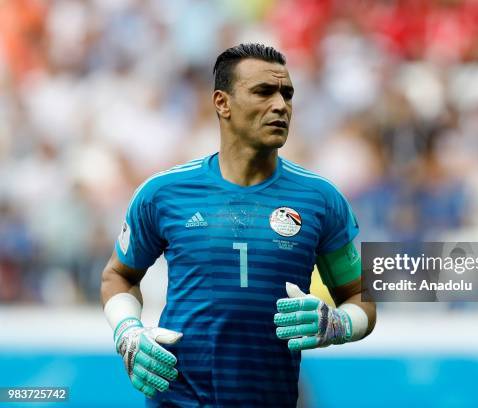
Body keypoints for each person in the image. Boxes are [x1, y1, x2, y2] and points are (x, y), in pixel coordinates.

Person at [100, 43, 376, 407]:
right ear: (222, 103)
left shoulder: (320, 199)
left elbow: (361, 297)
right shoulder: (162, 193)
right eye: (264, 91)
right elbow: (117, 276)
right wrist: (127, 332)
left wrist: (338, 324)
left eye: (287, 94)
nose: (280, 105)